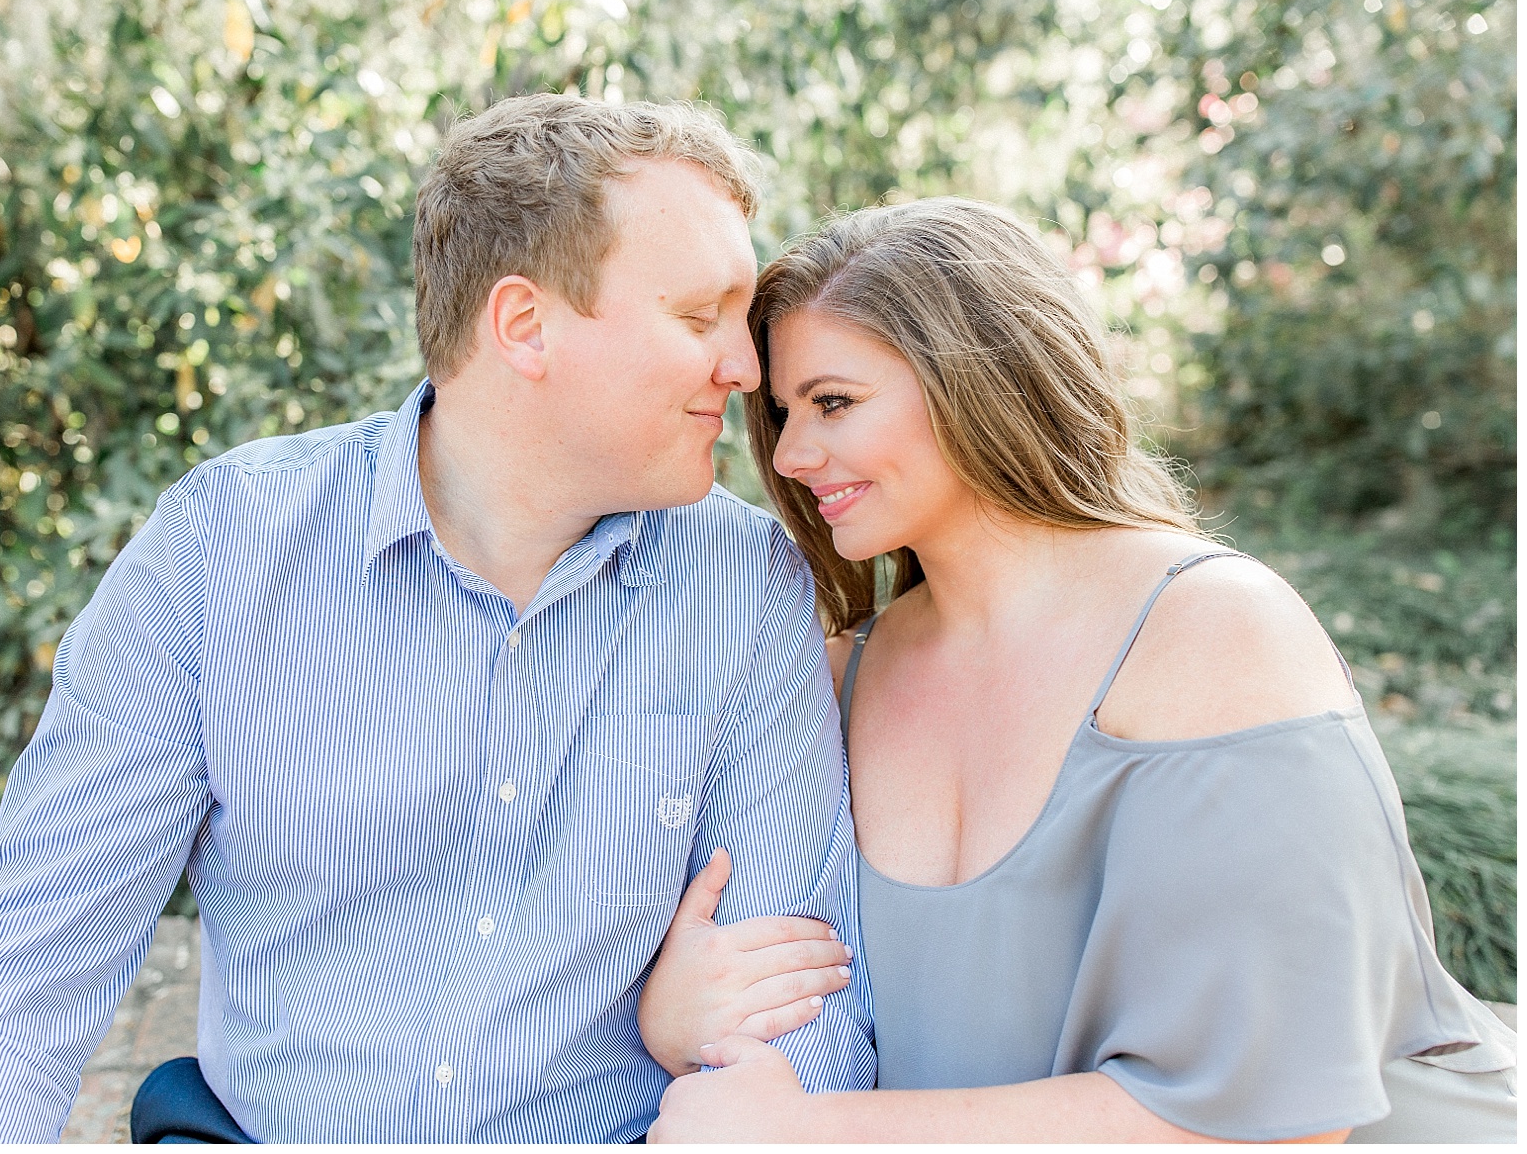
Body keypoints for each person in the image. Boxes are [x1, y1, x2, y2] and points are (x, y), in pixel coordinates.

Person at [0, 93, 870, 1144]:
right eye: (700, 318)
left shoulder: (749, 588)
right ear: (525, 325)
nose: (748, 372)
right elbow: (13, 984)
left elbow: (798, 1013)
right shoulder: (223, 553)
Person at [639, 197, 1516, 1142]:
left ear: (980, 382)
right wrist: (672, 1012)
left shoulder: (1212, 633)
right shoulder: (838, 674)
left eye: (834, 402)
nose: (795, 454)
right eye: (780, 413)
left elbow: (1271, 1128)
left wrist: (819, 1133)